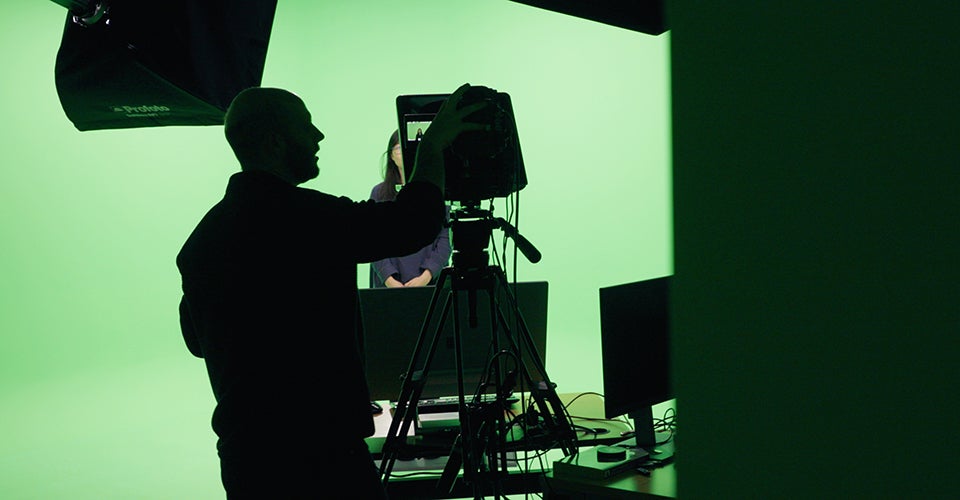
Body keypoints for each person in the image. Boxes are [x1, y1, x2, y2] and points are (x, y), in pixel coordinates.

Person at [176, 83, 486, 498]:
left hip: (247, 462)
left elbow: (199, 342)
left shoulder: (202, 241)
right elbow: (413, 224)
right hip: (323, 458)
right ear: (274, 141)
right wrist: (430, 149)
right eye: (306, 126)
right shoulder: (309, 219)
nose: (318, 136)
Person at [369, 130, 452, 288]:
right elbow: (372, 237)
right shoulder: (379, 193)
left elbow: (445, 238)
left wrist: (427, 275)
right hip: (389, 283)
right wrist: (389, 278)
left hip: (430, 280)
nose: (405, 153)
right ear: (391, 156)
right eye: (399, 148)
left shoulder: (437, 193)